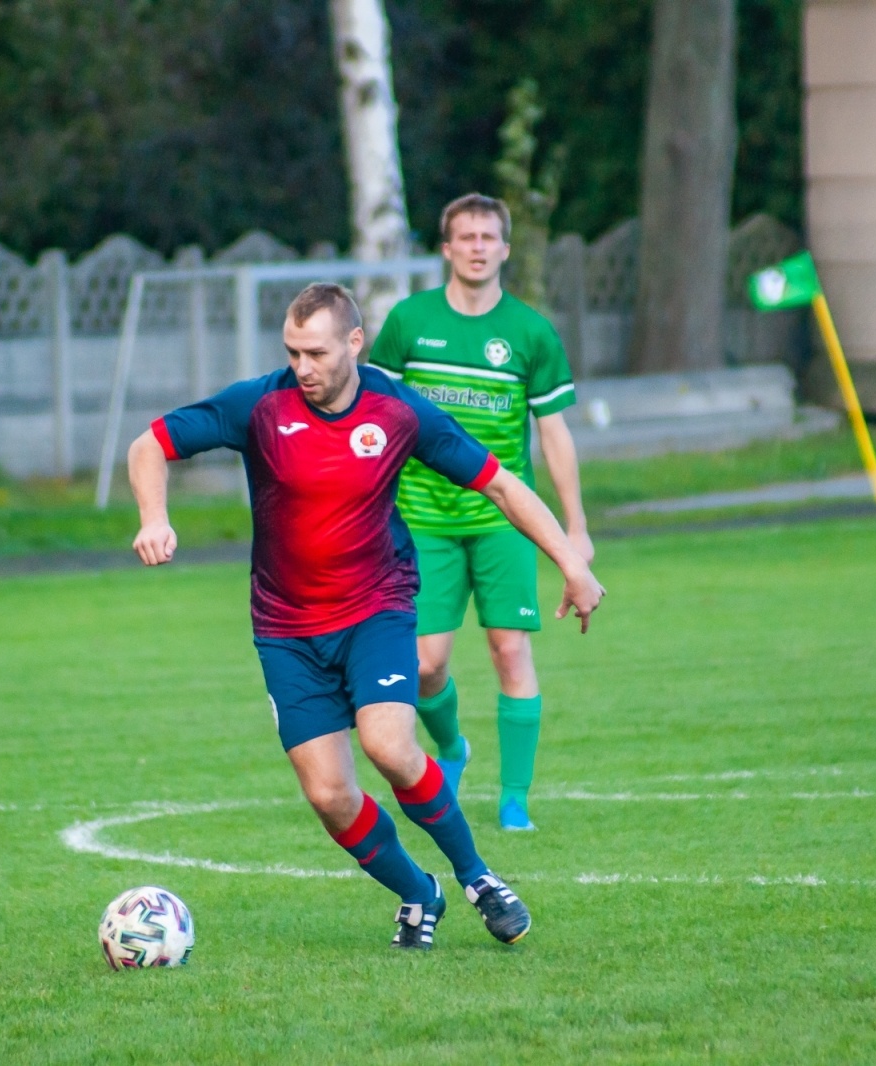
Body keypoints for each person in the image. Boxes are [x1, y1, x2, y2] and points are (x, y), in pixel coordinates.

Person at [127, 282, 604, 949]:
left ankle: (477, 877)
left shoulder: (398, 410)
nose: (302, 368)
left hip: (375, 608)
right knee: (329, 796)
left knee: (389, 746)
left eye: (316, 352)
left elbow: (498, 480)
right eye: (293, 352)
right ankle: (419, 893)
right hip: (286, 630)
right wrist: (155, 517)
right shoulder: (261, 405)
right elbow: (150, 444)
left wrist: (570, 562)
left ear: (354, 343)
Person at [368, 193, 591, 830]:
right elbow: (375, 416)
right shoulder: (409, 323)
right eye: (464, 237)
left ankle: (514, 797)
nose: (476, 247)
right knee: (425, 664)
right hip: (423, 517)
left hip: (503, 519)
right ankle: (453, 747)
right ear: (446, 248)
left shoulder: (530, 331)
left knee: (508, 649)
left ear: (505, 249)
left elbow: (553, 433)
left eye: (488, 237)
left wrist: (574, 529)